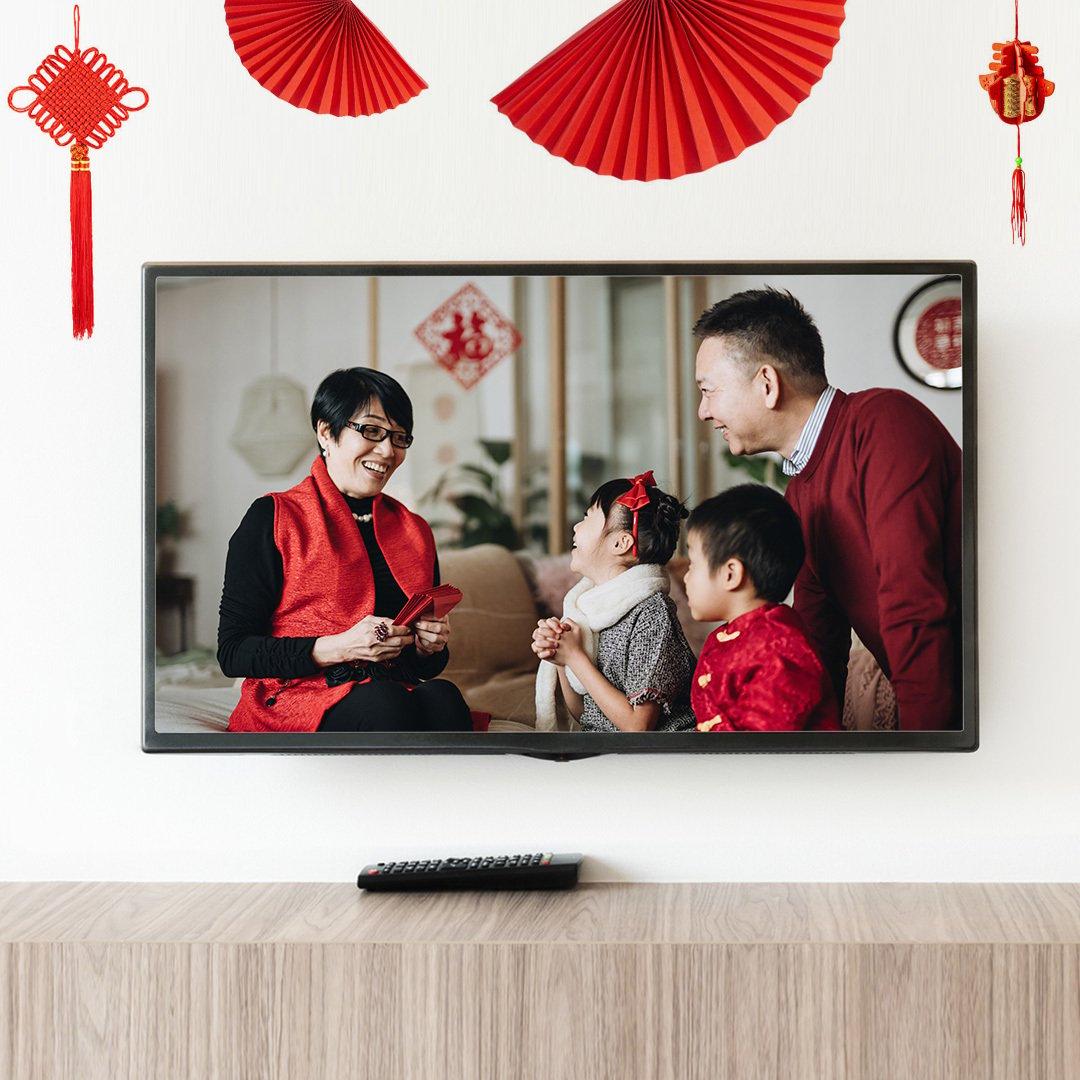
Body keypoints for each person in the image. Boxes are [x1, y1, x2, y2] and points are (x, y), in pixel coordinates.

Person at [694, 287, 962, 730]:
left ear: (766, 384)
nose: (704, 411)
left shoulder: (884, 424)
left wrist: (923, 761)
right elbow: (818, 647)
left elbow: (914, 607)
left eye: (709, 390)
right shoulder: (798, 493)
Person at [218, 368, 472, 733]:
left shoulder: (414, 530)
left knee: (444, 698)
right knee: (386, 704)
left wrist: (426, 648)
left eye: (399, 437)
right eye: (371, 431)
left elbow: (420, 670)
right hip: (296, 695)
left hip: (386, 690)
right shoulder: (273, 517)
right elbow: (233, 651)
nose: (387, 451)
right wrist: (341, 647)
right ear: (326, 432)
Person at [532, 471, 696, 733]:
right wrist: (560, 655)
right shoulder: (590, 608)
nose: (576, 527)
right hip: (610, 750)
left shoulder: (652, 613)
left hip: (659, 757)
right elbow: (586, 715)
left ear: (620, 542)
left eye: (588, 518)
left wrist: (576, 657)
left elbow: (637, 727)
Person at [684, 485, 839, 732]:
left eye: (693, 565)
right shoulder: (724, 637)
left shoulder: (781, 646)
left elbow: (764, 750)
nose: (686, 577)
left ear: (731, 574)